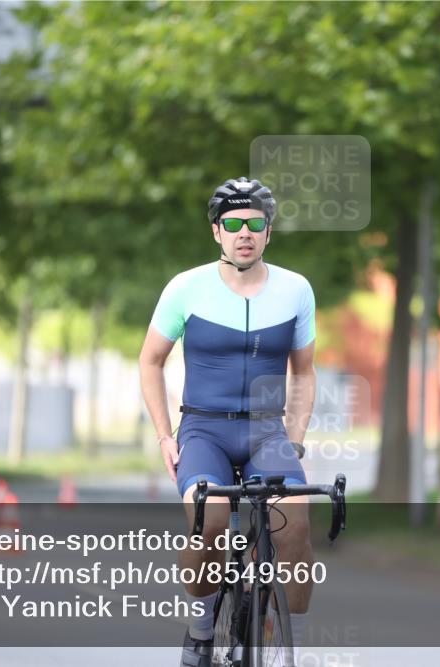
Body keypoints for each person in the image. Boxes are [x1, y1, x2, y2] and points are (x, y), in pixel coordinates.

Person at [139, 177, 317, 667]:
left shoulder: (296, 289)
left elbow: (304, 372)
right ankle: (200, 630)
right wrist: (163, 434)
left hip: (267, 431)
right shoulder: (185, 287)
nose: (245, 232)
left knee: (295, 527)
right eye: (234, 223)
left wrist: (295, 440)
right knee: (209, 521)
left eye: (254, 223)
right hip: (203, 430)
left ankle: (289, 642)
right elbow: (150, 361)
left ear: (268, 232)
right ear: (217, 231)